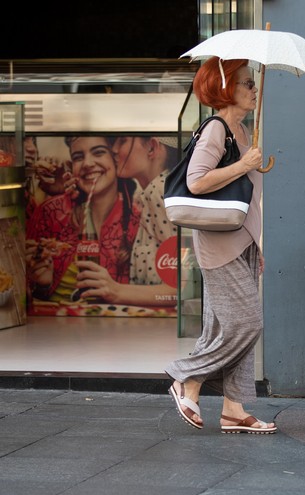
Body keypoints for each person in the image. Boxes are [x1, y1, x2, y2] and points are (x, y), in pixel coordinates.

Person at [165, 57, 275, 434]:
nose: (254, 89)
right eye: (247, 83)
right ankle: (186, 378)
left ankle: (233, 409)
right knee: (247, 323)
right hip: (218, 244)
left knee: (219, 328)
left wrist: (257, 245)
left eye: (253, 82)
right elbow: (196, 182)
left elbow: (249, 202)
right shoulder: (216, 129)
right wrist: (244, 165)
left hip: (242, 241)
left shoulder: (243, 131)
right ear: (226, 88)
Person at [25, 136, 139, 304]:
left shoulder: (138, 218)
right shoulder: (50, 212)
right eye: (78, 157)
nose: (87, 163)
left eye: (99, 152)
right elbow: (24, 296)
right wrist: (41, 285)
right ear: (72, 167)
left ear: (116, 159)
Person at [111, 135, 178, 306]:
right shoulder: (152, 192)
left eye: (123, 140)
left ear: (152, 148)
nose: (114, 150)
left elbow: (179, 288)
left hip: (161, 329)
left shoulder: (159, 191)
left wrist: (114, 291)